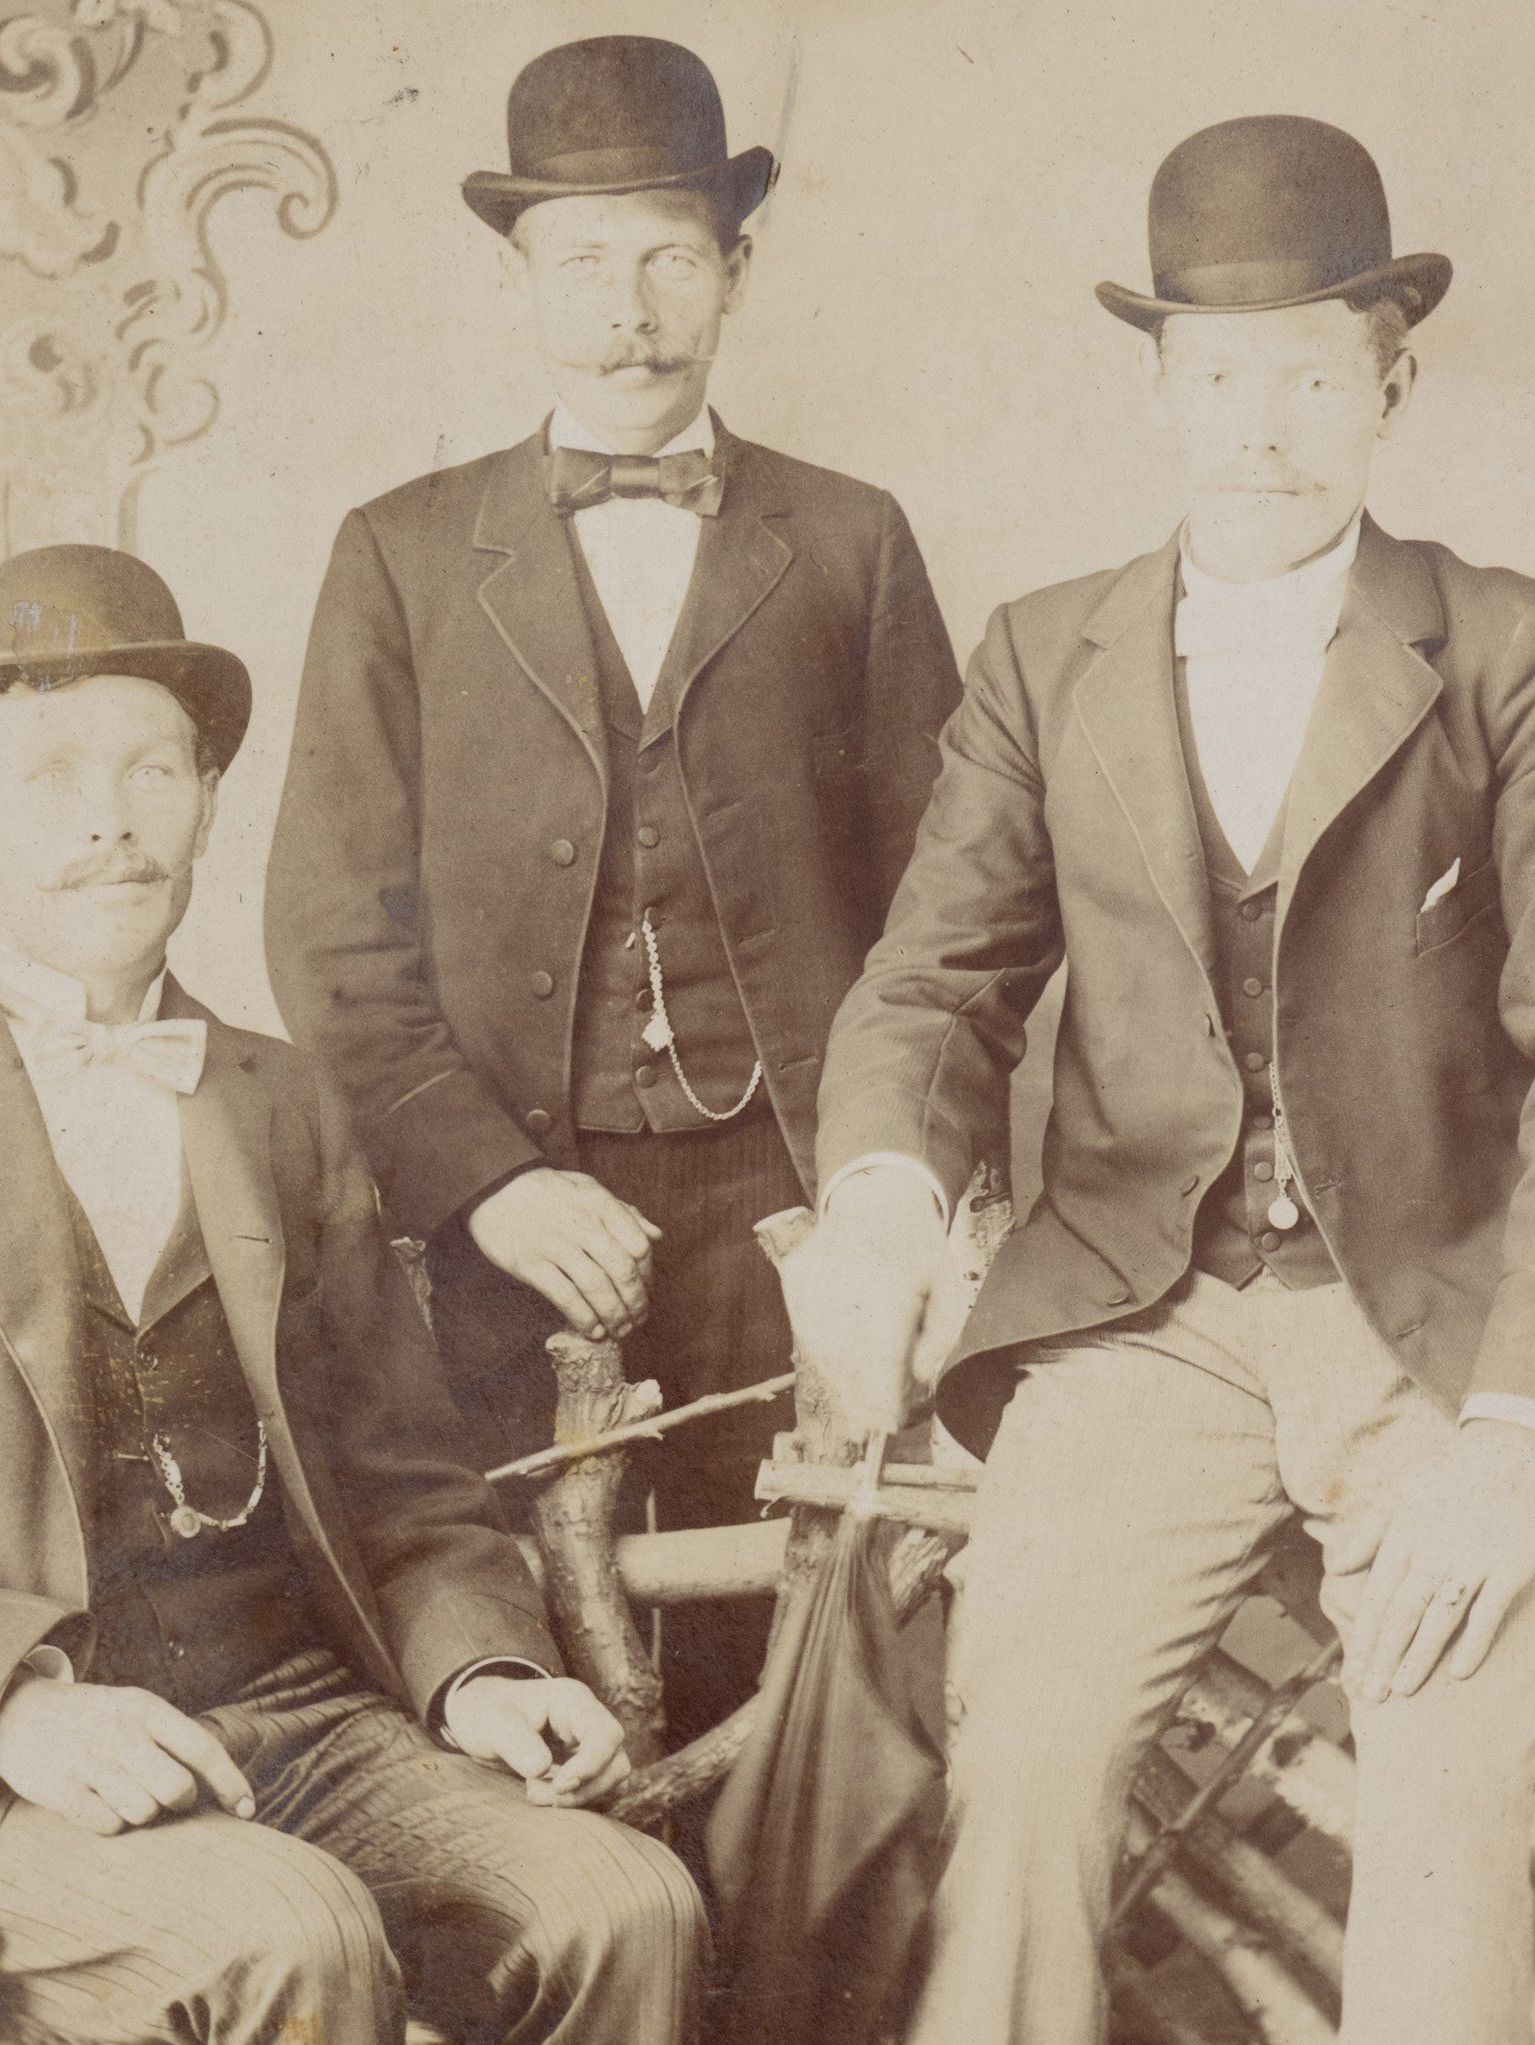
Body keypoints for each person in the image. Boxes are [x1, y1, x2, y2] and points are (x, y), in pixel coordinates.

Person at [780, 116, 1535, 2045]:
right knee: (1022, 1763)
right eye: (1220, 378)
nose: (1264, 429)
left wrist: (1516, 1443)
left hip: (1451, 1324)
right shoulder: (1044, 659)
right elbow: (936, 986)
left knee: (1443, 1777)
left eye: (1311, 376)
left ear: (1392, 386)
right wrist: (875, 1208)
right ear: (1158, 392)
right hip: (1155, 1311)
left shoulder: (1525, 657)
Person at [0, 545, 704, 2045]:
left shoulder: (282, 1101)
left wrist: (484, 1672)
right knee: (289, 1937)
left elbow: (407, 1483)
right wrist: (13, 1710)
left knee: (627, 1904)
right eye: (52, 776)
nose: (109, 820)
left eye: (152, 770)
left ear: (207, 800)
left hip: (300, 1713)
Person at [266, 35, 961, 1741]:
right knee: (523, 1625)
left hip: (795, 1199)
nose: (628, 311)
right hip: (507, 1212)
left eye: (669, 257)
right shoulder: (401, 553)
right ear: (513, 278)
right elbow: (332, 933)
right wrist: (486, 1183)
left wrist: (887, 1196)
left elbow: (949, 912)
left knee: (806, 1651)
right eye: (581, 261)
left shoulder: (851, 540)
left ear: (736, 270)